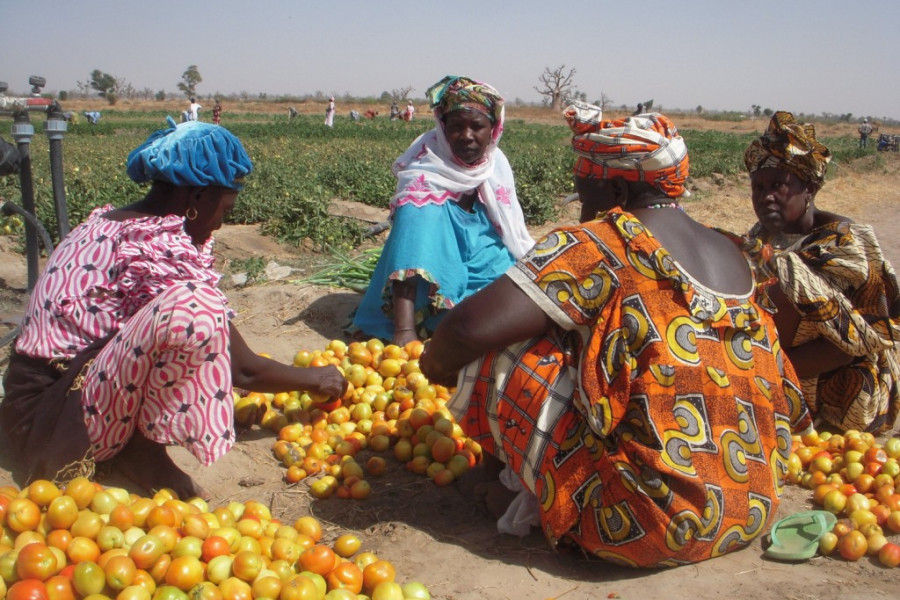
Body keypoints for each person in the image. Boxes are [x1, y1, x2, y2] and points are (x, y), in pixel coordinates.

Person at [419, 102, 812, 568]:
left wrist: (433, 367)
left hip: (642, 526)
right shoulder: (733, 249)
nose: (581, 200)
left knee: (501, 345)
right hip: (750, 507)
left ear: (617, 187)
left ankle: (518, 489)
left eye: (585, 188)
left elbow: (466, 329)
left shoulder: (601, 243)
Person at [0, 118, 346, 499]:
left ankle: (136, 444)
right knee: (196, 307)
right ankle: (144, 453)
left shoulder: (114, 223)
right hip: (54, 420)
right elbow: (243, 369)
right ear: (197, 199)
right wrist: (316, 380)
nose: (220, 223)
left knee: (188, 318)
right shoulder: (155, 246)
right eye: (225, 209)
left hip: (32, 404)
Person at [744, 111, 900, 433]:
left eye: (778, 186)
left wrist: (767, 370)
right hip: (782, 364)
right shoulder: (762, 235)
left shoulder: (844, 244)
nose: (766, 196)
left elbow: (857, 344)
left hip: (846, 382)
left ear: (810, 189)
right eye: (758, 187)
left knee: (783, 277)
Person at [350, 75, 534, 346]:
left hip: (480, 264)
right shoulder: (425, 175)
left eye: (477, 127)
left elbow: (507, 231)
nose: (467, 136)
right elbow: (411, 250)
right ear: (443, 127)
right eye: (457, 126)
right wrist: (405, 334)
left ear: (493, 129)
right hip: (434, 290)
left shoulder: (495, 166)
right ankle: (410, 323)